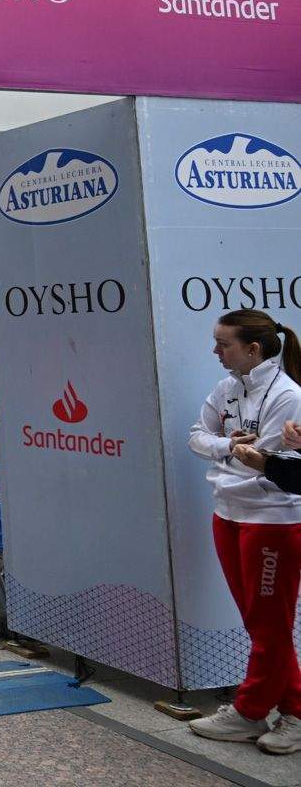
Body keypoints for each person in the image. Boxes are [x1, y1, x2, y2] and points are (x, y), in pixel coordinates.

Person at [186, 309, 301, 754]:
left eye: (223, 344)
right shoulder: (227, 388)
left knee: (269, 625)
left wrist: (228, 452)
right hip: (228, 513)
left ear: (253, 349)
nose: (215, 352)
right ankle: (294, 709)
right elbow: (197, 436)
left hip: (272, 520)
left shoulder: (288, 396)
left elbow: (269, 463)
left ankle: (250, 710)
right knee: (259, 623)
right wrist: (226, 446)